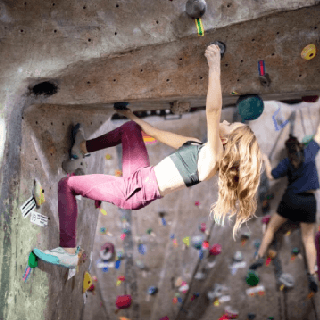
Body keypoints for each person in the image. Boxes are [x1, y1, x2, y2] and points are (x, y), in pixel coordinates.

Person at [33, 44, 262, 268]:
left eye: (230, 125)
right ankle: (80, 148)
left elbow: (213, 111)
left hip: (134, 191)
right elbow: (158, 135)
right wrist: (131, 115)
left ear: (225, 141)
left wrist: (214, 63)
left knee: (67, 184)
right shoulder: (199, 147)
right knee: (131, 129)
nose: (226, 122)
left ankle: (67, 251)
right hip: (141, 174)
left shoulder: (213, 159)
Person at [250, 132, 320, 293]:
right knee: (308, 239)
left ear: (287, 150)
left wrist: (266, 160)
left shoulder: (286, 162)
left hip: (291, 199)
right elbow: (318, 133)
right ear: (299, 145)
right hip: (308, 201)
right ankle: (311, 275)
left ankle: (259, 256)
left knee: (271, 229)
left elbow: (270, 175)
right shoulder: (309, 152)